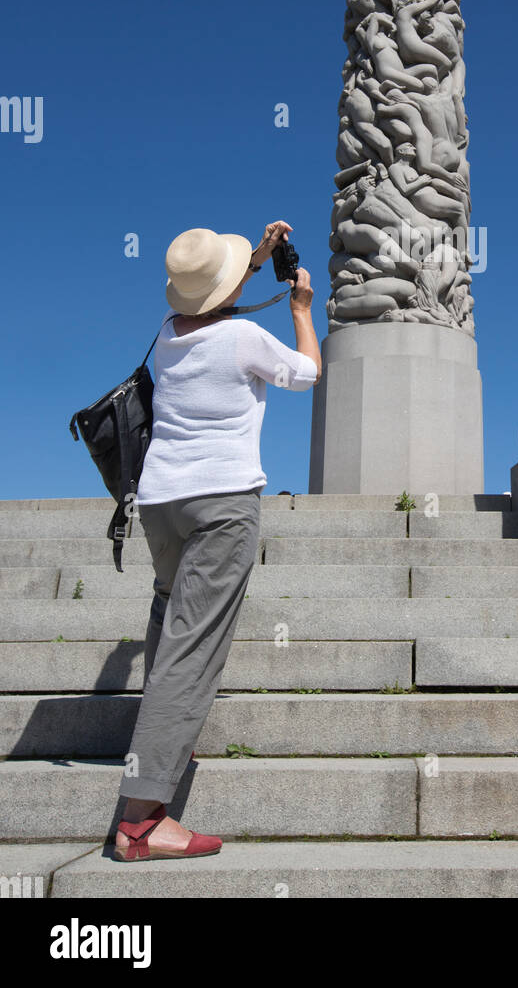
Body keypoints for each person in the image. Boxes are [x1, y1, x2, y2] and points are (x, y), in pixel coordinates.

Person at [112, 221, 321, 861]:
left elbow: (210, 300)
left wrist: (254, 260)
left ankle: (165, 739)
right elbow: (307, 373)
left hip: (160, 502)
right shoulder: (244, 337)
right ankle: (140, 820)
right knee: (192, 647)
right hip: (221, 502)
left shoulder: (167, 337)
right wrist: (302, 310)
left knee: (167, 621)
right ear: (229, 290)